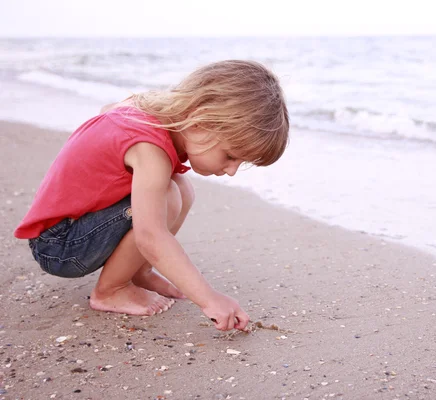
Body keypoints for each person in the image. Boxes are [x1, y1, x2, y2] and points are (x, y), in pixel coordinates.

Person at [13, 60, 289, 332]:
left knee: (181, 188)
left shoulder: (146, 109)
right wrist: (210, 299)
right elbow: (151, 236)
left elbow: (107, 111)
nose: (231, 171)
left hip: (71, 230)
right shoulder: (149, 149)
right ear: (199, 120)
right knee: (167, 194)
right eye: (230, 156)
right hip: (60, 247)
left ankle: (137, 272)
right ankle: (111, 290)